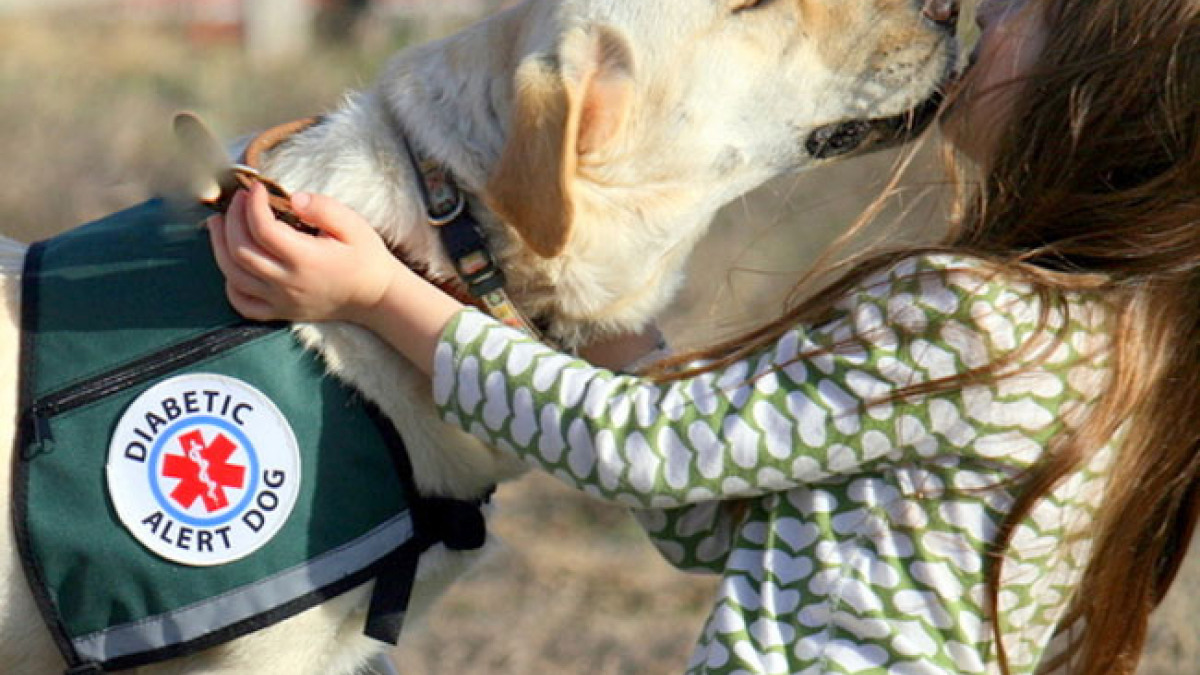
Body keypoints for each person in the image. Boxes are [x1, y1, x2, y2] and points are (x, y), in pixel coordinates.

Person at [207, 0, 1200, 673]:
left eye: (1028, 11)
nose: (972, 9)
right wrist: (605, 333)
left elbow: (653, 452)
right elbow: (723, 511)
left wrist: (383, 295)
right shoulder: (1114, 343)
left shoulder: (962, 314)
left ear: (1088, 104)